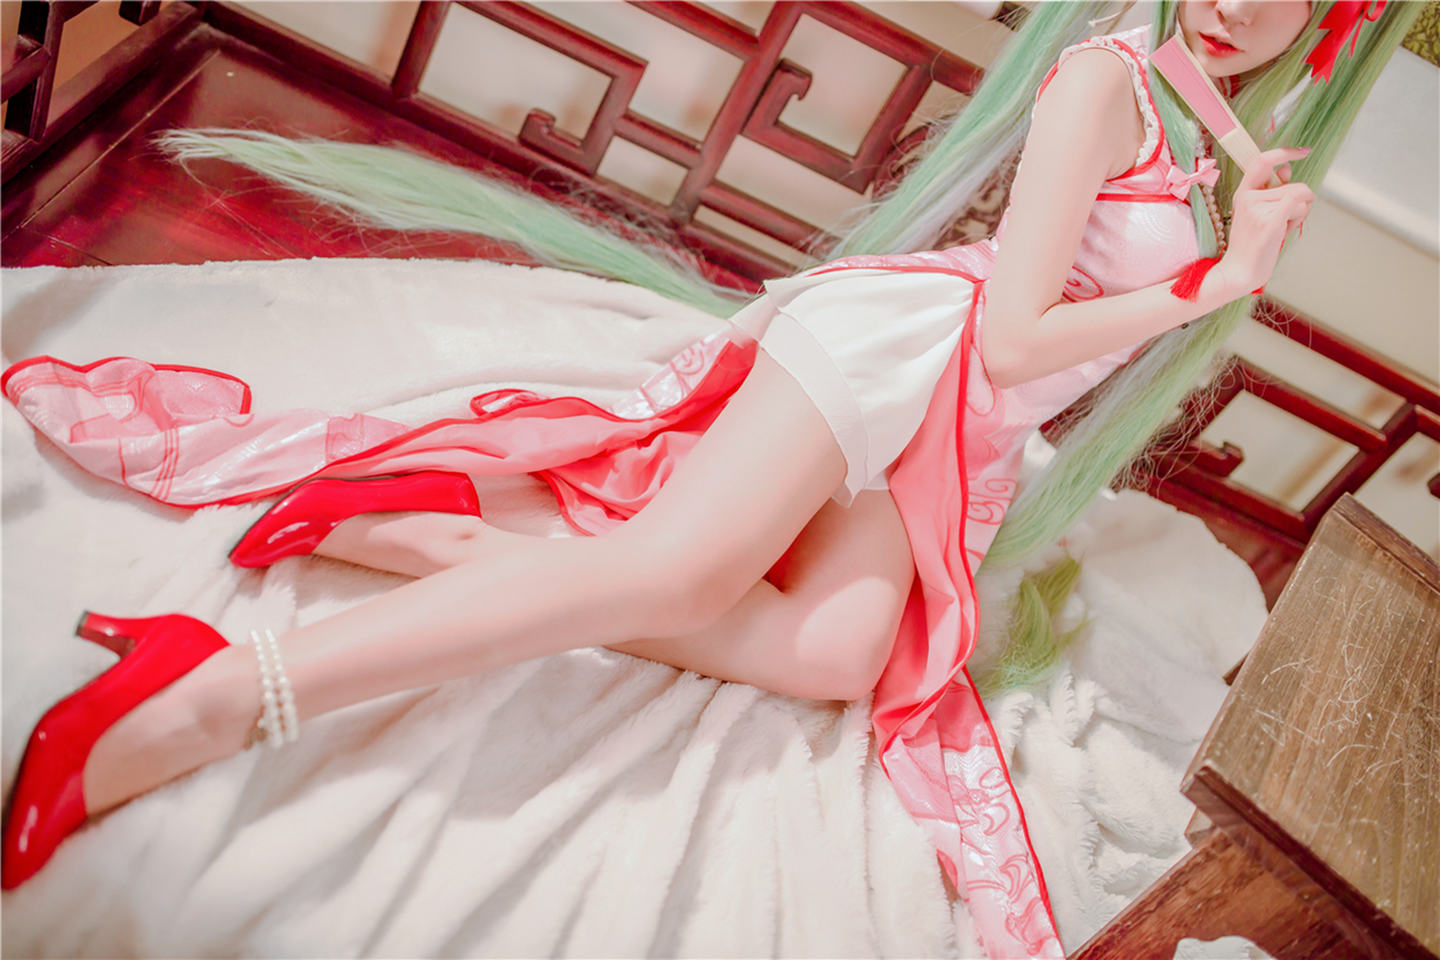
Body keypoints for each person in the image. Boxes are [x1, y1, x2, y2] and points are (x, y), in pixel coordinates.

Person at [1, 2, 1415, 956]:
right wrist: (1216, 283)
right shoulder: (1110, 78)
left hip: (946, 429)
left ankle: (446, 544)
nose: (1239, 2)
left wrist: (1233, 245)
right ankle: (212, 692)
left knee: (840, 653)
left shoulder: (1205, 125)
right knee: (676, 577)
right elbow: (1018, 332)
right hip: (909, 354)